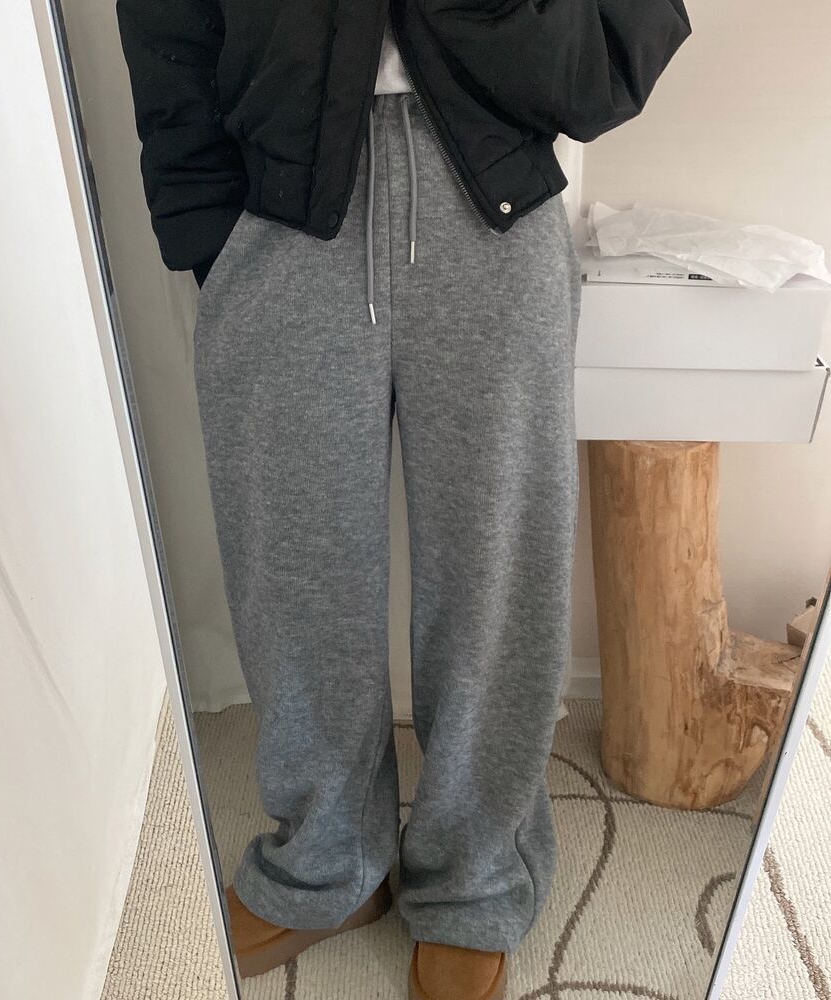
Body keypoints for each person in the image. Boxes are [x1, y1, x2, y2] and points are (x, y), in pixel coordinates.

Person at [116, 4, 692, 999]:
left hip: (493, 207)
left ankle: (474, 875)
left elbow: (624, 43)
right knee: (293, 568)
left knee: (493, 568)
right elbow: (168, 23)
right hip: (277, 206)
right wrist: (205, 224)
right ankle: (326, 861)